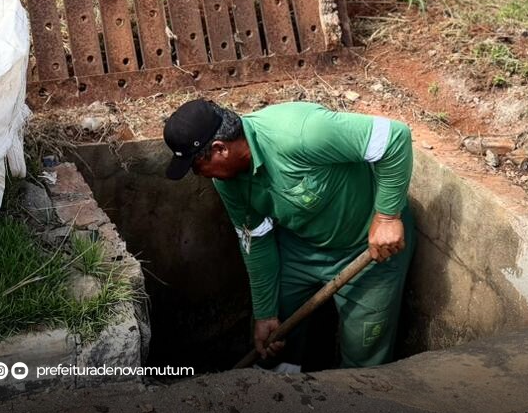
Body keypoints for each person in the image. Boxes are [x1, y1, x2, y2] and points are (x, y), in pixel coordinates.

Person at [163, 99, 415, 368]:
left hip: (366, 250)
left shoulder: (301, 133)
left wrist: (387, 216)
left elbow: (395, 137)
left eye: (196, 166)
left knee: (364, 352)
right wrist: (264, 313)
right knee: (276, 336)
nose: (198, 175)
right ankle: (287, 395)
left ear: (219, 149)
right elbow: (256, 240)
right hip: (300, 248)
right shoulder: (228, 183)